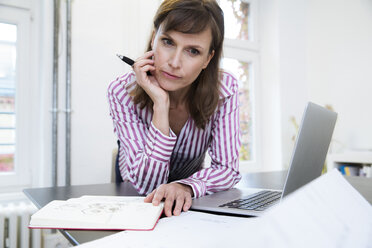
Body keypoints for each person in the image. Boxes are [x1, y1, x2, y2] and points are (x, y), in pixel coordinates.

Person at [108, 0, 241, 217]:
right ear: (154, 39)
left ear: (208, 58)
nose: (175, 62)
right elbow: (147, 185)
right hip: (137, 196)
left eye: (193, 51)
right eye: (168, 42)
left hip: (187, 197)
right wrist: (161, 105)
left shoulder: (224, 89)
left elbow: (227, 169)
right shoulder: (122, 91)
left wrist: (185, 186)